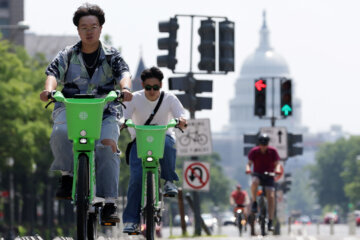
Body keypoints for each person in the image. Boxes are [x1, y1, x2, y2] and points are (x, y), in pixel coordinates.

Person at [39, 3, 133, 223]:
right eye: (84, 27)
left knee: (108, 147)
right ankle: (67, 176)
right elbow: (53, 72)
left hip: (105, 111)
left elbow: (124, 73)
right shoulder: (68, 54)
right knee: (60, 134)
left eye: (93, 26)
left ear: (100, 28)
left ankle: (109, 203)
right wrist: (49, 90)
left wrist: (125, 89)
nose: (89, 31)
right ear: (78, 30)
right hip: (71, 109)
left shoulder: (112, 56)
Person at [121, 67, 187, 234]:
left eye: (155, 87)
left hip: (162, 137)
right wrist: (121, 122)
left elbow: (181, 115)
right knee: (136, 178)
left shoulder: (169, 98)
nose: (151, 91)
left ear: (161, 85)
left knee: (168, 144)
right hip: (140, 141)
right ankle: (131, 220)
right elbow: (123, 116)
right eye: (148, 87)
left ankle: (169, 182)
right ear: (142, 85)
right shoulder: (135, 98)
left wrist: (181, 121)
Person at [245, 133, 280, 231]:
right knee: (254, 182)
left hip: (269, 175)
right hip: (258, 174)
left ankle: (270, 221)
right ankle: (255, 202)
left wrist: (277, 170)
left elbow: (277, 164)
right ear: (259, 144)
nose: (263, 146)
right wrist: (248, 169)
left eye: (265, 144)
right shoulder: (254, 151)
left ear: (268, 144)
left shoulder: (273, 151)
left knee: (271, 196)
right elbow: (249, 164)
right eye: (261, 144)